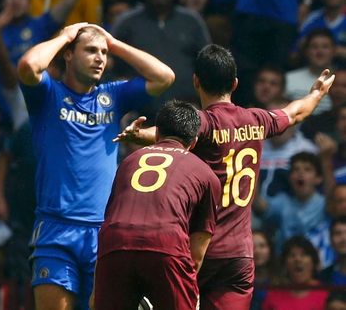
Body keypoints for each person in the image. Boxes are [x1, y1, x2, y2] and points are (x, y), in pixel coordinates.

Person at [118, 44, 334, 310]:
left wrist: (136, 135)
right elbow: (294, 113)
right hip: (238, 257)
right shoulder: (256, 120)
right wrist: (316, 93)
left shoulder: (205, 122)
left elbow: (171, 132)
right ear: (234, 83)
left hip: (196, 251)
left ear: (196, 81)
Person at [17, 23, 175, 310]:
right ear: (67, 54)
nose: (100, 58)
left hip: (104, 231)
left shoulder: (113, 96)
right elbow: (29, 65)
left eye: (104, 53)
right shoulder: (47, 95)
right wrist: (65, 36)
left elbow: (164, 77)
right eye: (90, 50)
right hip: (56, 229)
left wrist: (113, 43)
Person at [93, 100, 220, 310]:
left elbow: (111, 220)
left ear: (158, 133)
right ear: (195, 141)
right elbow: (196, 256)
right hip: (166, 244)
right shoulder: (206, 174)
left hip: (115, 243)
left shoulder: (129, 161)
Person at [262, 236, 329, 310]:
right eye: (292, 255)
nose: (298, 259)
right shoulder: (273, 295)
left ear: (313, 262)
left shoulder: (326, 294)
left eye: (303, 255)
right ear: (285, 264)